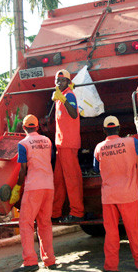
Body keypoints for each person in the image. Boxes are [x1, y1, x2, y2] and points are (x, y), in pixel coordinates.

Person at [93, 114, 138, 272]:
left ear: (104, 130)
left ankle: (111, 266)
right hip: (128, 196)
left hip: (109, 197)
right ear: (119, 128)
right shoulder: (130, 142)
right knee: (134, 231)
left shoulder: (98, 148)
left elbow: (95, 169)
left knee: (111, 234)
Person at [9, 115, 56, 272]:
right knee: (45, 224)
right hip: (49, 186)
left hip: (34, 187)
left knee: (26, 223)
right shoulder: (47, 141)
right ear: (37, 127)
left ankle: (30, 261)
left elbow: (23, 170)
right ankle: (49, 260)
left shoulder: (23, 144)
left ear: (24, 128)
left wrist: (17, 188)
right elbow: (50, 161)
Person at [51, 69, 84, 222]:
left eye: (62, 80)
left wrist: (64, 99)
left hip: (68, 144)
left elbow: (73, 114)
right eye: (57, 80)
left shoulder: (68, 95)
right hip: (61, 145)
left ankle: (77, 212)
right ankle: (55, 212)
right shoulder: (61, 96)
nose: (59, 82)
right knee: (59, 180)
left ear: (68, 82)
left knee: (71, 179)